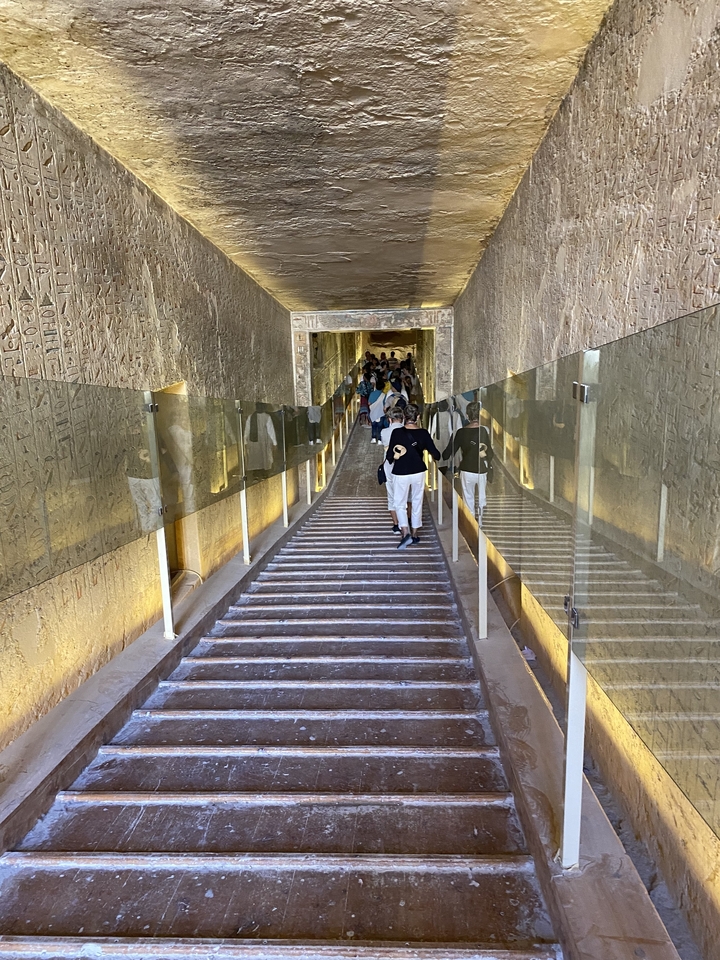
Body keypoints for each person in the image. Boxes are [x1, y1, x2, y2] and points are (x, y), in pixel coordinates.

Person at [386, 403, 441, 549]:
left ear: (404, 417)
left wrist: (397, 455)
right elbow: (436, 454)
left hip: (401, 472)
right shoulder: (423, 433)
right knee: (417, 502)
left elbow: (390, 456)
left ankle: (405, 532)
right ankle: (415, 534)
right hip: (418, 471)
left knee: (400, 503)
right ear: (418, 417)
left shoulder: (397, 433)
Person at [442, 400, 493, 523]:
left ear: (467, 415)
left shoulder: (461, 432)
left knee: (468, 497)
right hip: (481, 469)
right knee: (481, 497)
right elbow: (490, 453)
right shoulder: (484, 430)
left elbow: (448, 453)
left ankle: (471, 523)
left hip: (466, 469)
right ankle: (480, 521)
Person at [380, 407, 405, 533]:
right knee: (405, 495)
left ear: (389, 419)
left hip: (389, 465)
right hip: (404, 464)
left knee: (391, 495)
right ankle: (405, 522)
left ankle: (396, 524)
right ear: (403, 418)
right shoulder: (407, 431)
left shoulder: (384, 432)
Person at [368, 378, 386, 443]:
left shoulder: (372, 394)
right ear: (383, 388)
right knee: (380, 427)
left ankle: (373, 438)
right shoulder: (384, 395)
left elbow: (369, 403)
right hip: (381, 413)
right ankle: (380, 440)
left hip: (373, 412)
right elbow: (384, 405)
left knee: (374, 426)